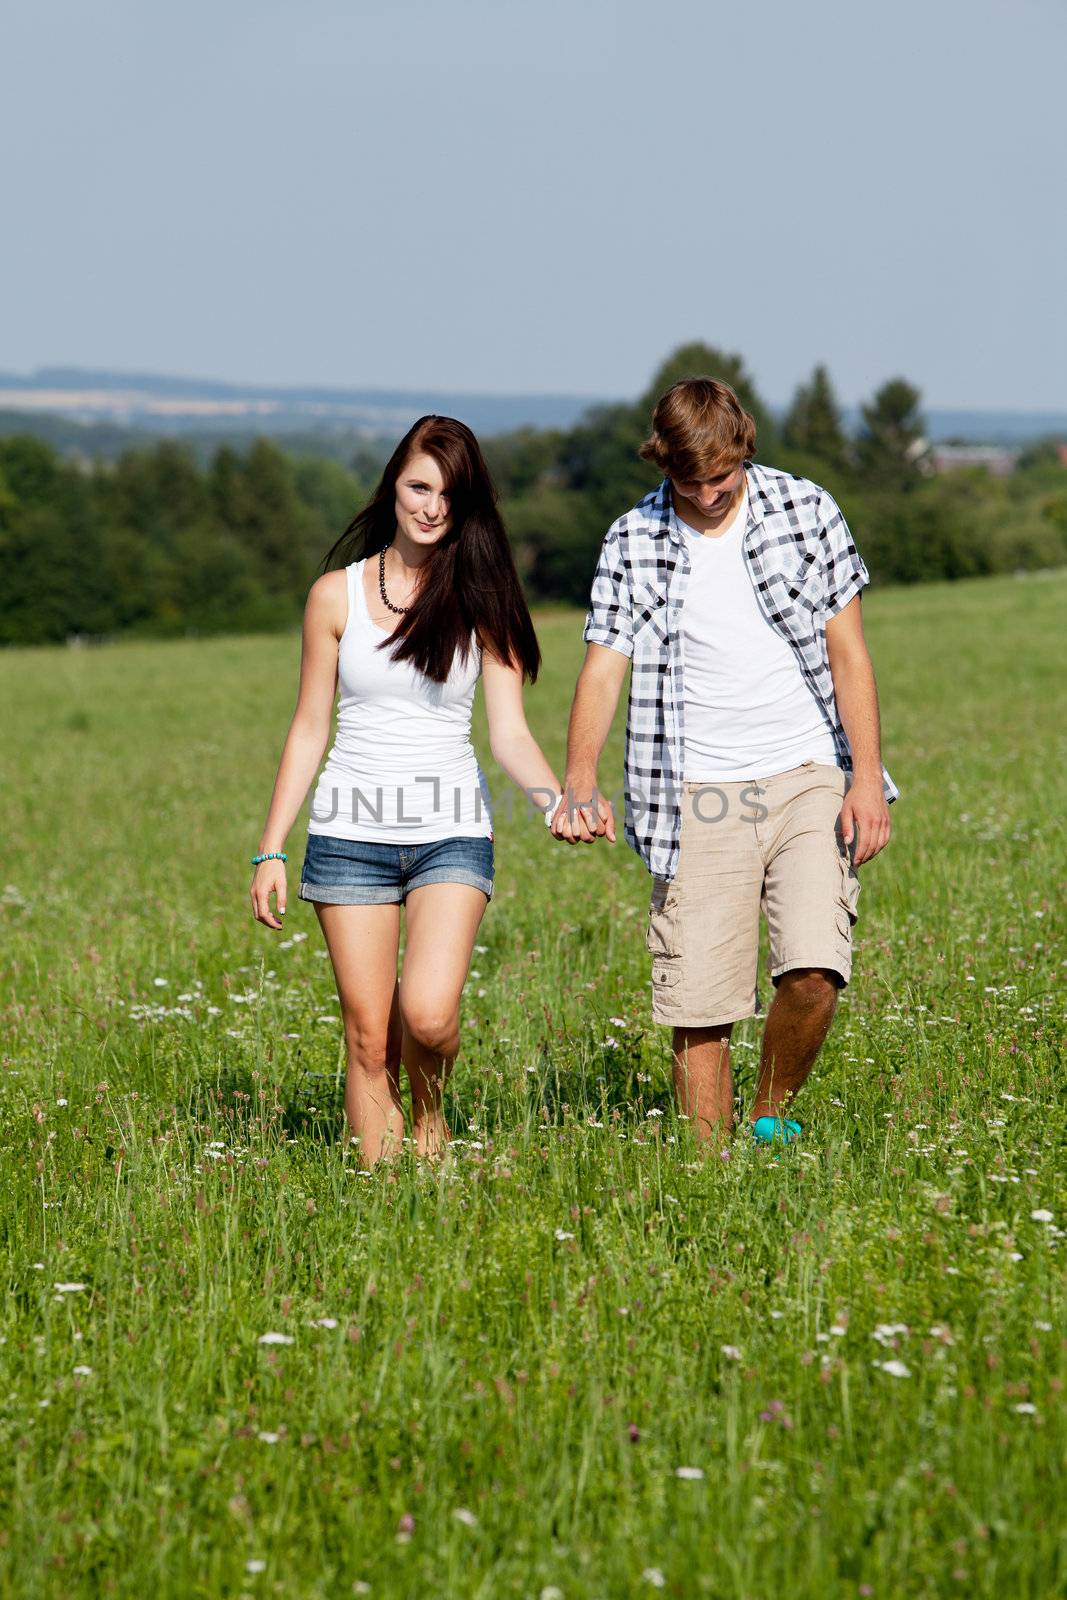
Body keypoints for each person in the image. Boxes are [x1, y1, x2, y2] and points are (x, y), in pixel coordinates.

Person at [552, 377, 898, 1147]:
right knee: (700, 1006)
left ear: (743, 450)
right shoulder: (632, 538)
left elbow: (848, 650)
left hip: (806, 768)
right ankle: (709, 1175)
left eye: (722, 477)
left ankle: (767, 1114)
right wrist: (578, 781)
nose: (707, 495)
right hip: (695, 790)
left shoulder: (805, 510)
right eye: (689, 480)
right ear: (660, 463)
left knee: (813, 970)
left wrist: (865, 779)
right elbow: (603, 665)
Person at [250, 416, 563, 1168]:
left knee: (426, 1017)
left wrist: (557, 800)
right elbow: (305, 730)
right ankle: (384, 1203)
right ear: (392, 484)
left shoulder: (483, 598)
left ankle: (429, 1116)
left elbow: (510, 734)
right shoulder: (335, 597)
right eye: (418, 486)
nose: (430, 506)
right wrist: (270, 850)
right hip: (347, 834)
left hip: (449, 830)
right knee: (367, 1033)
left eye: (448, 495)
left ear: (468, 506)